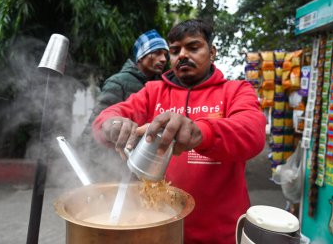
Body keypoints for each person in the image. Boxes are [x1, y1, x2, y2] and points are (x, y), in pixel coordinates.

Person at [92, 19, 266, 243]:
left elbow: (253, 132)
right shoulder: (153, 91)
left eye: (193, 47)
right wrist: (111, 125)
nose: (182, 55)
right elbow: (104, 118)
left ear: (212, 52)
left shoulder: (236, 90)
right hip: (157, 230)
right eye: (175, 50)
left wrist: (200, 132)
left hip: (221, 234)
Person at [79, 29, 169, 181]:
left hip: (139, 165)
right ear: (140, 56)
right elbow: (96, 124)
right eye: (157, 53)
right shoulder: (118, 82)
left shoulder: (159, 86)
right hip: (113, 165)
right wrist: (93, 165)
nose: (163, 59)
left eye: (165, 54)